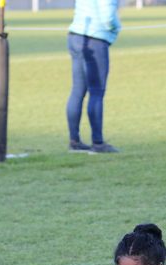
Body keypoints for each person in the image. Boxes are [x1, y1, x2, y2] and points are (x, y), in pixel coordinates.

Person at [66, 0, 121, 154]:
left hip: (75, 36)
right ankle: (98, 143)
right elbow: (108, 17)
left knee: (77, 91)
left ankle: (74, 141)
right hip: (95, 39)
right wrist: (116, 28)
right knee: (96, 92)